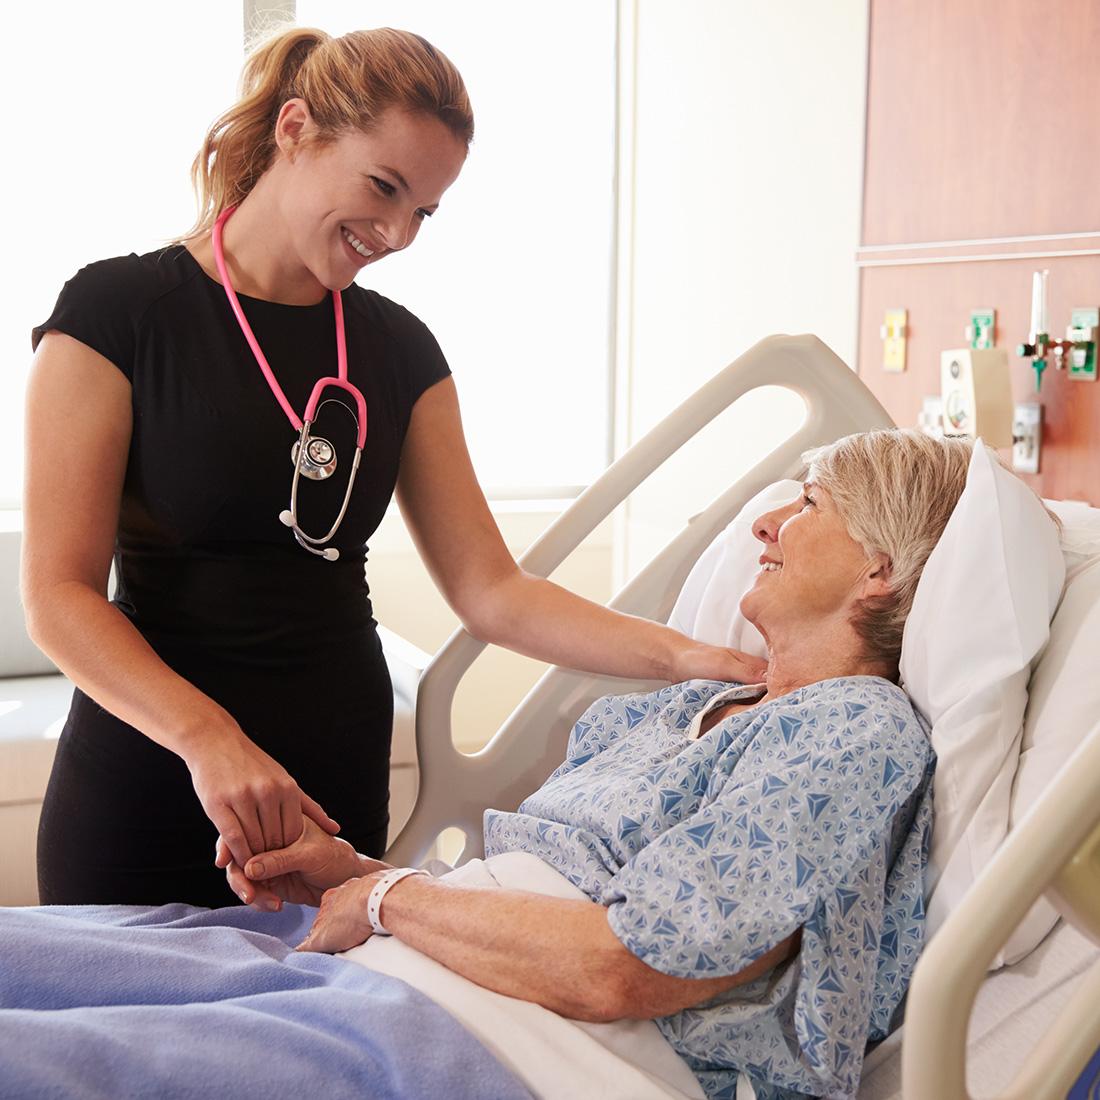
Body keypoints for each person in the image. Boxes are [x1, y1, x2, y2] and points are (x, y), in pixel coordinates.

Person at [21, 25, 764, 910]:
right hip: (154, 774)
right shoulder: (118, 314)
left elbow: (492, 589)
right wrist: (209, 739)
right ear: (295, 128)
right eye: (384, 187)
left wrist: (684, 656)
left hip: (328, 791)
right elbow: (58, 598)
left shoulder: (399, 350)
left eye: (424, 211)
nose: (398, 232)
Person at [212, 429, 976, 1100]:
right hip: (440, 985)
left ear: (880, 565)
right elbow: (535, 907)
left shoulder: (854, 733)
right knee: (105, 956)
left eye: (808, 506)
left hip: (532, 1052)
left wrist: (388, 899)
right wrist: (352, 874)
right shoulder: (682, 707)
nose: (765, 524)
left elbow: (624, 966)